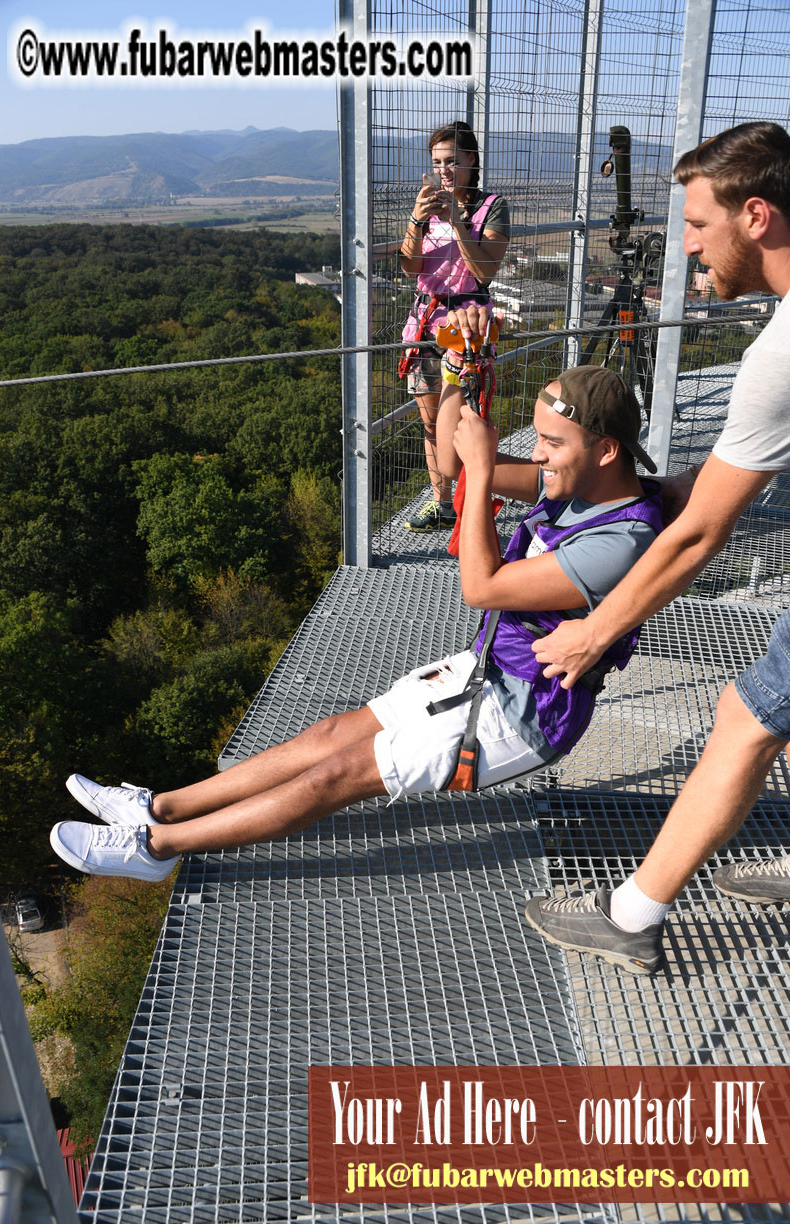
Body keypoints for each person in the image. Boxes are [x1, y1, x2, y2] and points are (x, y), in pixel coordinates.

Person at [50, 368, 661, 882]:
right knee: (329, 735)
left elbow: (481, 587)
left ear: (605, 450)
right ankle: (159, 807)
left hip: (523, 715)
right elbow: (452, 461)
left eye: (552, 441)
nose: (536, 454)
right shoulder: (575, 480)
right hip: (488, 670)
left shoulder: (618, 540)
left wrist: (479, 478)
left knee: (337, 775)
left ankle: (157, 851)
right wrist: (456, 373)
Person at [522, 120, 790, 976]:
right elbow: (710, 488)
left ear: (756, 215)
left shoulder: (779, 356)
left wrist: (594, 634)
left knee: (747, 720)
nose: (685, 245)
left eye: (698, 225)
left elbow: (702, 531)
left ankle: (632, 917)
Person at [399, 120, 509, 532]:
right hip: (426, 323)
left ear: (471, 162)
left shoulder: (492, 206)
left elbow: (484, 269)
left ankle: (471, 499)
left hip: (467, 328)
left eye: (451, 162)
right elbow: (410, 268)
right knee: (431, 419)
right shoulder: (427, 207)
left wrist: (458, 223)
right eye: (436, 163)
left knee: (463, 420)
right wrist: (416, 220)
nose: (443, 171)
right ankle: (442, 501)